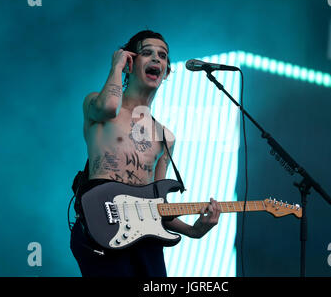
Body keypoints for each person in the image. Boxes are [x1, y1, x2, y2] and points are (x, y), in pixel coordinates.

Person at [70, 30, 221, 277]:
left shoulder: (165, 137)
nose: (156, 59)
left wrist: (195, 230)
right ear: (130, 63)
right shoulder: (96, 104)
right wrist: (117, 67)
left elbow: (158, 207)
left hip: (144, 239)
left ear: (167, 72)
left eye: (163, 56)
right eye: (147, 53)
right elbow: (109, 106)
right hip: (100, 228)